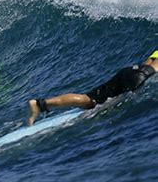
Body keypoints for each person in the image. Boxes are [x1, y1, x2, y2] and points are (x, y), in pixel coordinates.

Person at [27, 51, 158, 126]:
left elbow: (147, 63)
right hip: (142, 76)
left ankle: (41, 104)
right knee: (112, 106)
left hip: (130, 70)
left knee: (89, 100)